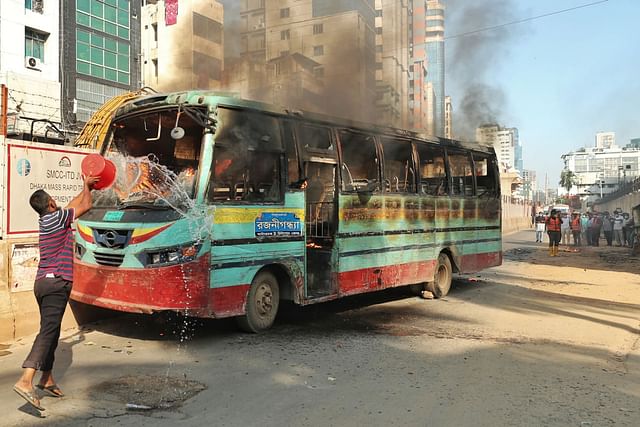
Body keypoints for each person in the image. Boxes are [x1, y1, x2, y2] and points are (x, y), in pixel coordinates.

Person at [13, 175, 99, 411]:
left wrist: (84, 187)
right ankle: (26, 379)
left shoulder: (48, 220)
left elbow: (72, 204)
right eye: (54, 200)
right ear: (50, 203)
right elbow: (86, 205)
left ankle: (47, 377)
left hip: (41, 284)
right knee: (48, 331)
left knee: (52, 330)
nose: (58, 203)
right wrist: (87, 188)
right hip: (56, 285)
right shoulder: (58, 217)